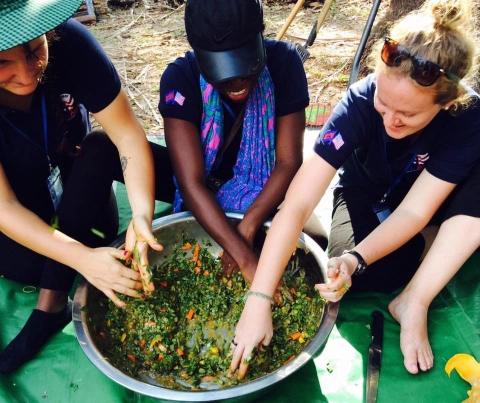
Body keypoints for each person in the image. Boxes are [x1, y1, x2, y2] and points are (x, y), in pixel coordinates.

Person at [229, 0, 480, 378]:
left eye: (408, 115)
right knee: (357, 279)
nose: (391, 120)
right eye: (384, 104)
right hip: (366, 195)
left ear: (445, 103)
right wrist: (260, 298)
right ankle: (432, 248)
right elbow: (295, 205)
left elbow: (415, 210)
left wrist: (359, 257)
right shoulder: (361, 101)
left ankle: (416, 298)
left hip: (429, 201)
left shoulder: (466, 115)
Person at [0, 0, 175, 374]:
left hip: (81, 190)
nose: (27, 75)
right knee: (30, 264)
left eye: (34, 50)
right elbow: (5, 207)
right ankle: (50, 306)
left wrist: (142, 214)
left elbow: (127, 136)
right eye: (2, 63)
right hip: (22, 217)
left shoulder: (72, 44)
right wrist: (80, 259)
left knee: (99, 146)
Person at [158, 0, 309, 281]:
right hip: (201, 183)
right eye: (223, 72)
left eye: (245, 66)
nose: (237, 82)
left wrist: (248, 227)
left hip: (259, 190)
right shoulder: (180, 78)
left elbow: (288, 163)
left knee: (299, 250)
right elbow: (192, 183)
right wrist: (245, 258)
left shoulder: (285, 63)